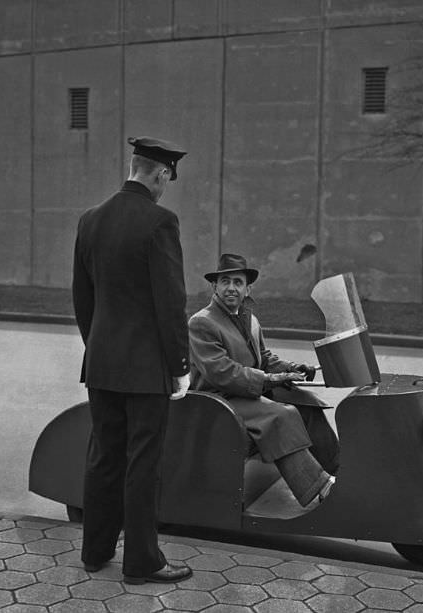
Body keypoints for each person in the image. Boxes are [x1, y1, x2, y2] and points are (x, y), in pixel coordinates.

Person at [72, 136, 193, 585]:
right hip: (146, 370)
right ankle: (143, 562)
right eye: (167, 180)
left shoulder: (90, 220)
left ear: (132, 166)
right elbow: (170, 302)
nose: (166, 188)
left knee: (104, 456)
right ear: (160, 173)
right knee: (143, 464)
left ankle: (94, 552)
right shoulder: (160, 222)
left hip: (101, 363)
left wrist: (99, 346)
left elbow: (83, 300)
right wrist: (179, 365)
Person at [188, 253, 340, 507]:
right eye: (225, 281)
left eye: (238, 282)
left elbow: (264, 358)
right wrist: (270, 380)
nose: (231, 288)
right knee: (280, 416)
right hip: (218, 402)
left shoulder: (250, 319)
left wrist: (292, 368)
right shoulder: (202, 323)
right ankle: (318, 489)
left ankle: (338, 471)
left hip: (246, 395)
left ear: (248, 289)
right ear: (214, 286)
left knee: (306, 403)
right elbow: (222, 372)